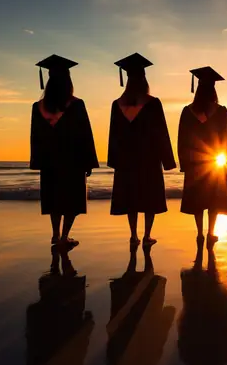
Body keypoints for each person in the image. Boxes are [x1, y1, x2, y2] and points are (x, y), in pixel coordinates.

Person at [30, 55, 99, 248]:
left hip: (50, 163)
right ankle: (64, 237)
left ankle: (55, 234)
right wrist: (89, 162)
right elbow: (85, 134)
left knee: (54, 199)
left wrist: (38, 161)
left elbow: (35, 137)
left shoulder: (38, 107)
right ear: (68, 80)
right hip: (73, 161)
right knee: (71, 201)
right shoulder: (76, 105)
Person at [108, 53, 177, 247]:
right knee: (149, 198)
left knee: (130, 197)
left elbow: (113, 135)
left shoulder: (117, 105)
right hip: (149, 159)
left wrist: (113, 160)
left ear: (127, 80)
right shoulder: (153, 103)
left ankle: (133, 235)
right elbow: (161, 133)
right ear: (144, 79)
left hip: (126, 160)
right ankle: (147, 235)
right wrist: (167, 161)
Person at [178, 67, 227, 249]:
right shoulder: (221, 111)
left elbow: (182, 139)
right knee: (213, 200)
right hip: (215, 163)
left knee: (198, 201)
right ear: (213, 90)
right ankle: (211, 233)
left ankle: (199, 233)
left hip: (195, 163)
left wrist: (185, 161)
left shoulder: (187, 111)